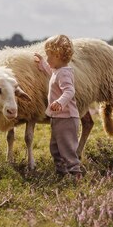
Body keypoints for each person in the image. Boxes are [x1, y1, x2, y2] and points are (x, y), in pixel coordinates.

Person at [34, 35, 82, 179]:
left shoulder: (65, 74)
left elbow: (69, 91)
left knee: (67, 149)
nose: (48, 60)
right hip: (59, 118)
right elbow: (52, 74)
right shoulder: (59, 71)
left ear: (58, 55)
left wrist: (60, 102)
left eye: (49, 57)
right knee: (55, 149)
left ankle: (76, 175)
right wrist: (43, 64)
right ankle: (61, 174)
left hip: (66, 118)